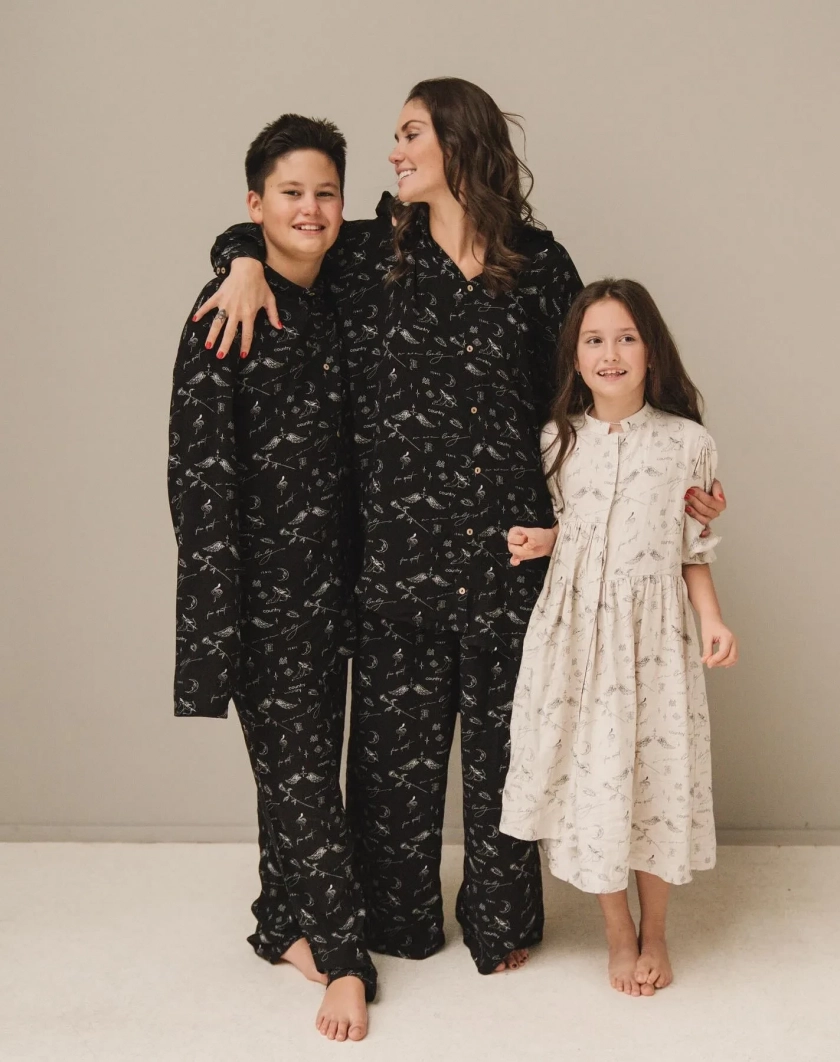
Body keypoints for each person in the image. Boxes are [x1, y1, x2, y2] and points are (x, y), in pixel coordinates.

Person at [197, 78, 726, 976]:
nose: (394, 151)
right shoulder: (368, 254)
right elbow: (285, 233)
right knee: (391, 774)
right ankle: (397, 922)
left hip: (514, 558)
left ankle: (501, 923)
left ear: (457, 141)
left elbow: (596, 385)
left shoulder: (538, 263)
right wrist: (238, 259)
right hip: (395, 560)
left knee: (505, 758)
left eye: (410, 134)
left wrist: (675, 481)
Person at [168, 113, 376, 1043]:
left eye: (326, 192)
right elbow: (198, 480)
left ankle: (278, 923)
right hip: (262, 598)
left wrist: (244, 252)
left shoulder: (339, 292)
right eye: (291, 192)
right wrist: (218, 618)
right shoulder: (226, 313)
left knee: (300, 766)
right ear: (257, 203)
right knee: (302, 776)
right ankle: (343, 958)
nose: (312, 209)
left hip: (342, 588)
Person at [501, 278, 738, 997]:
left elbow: (692, 547)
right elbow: (575, 527)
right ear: (575, 357)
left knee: (653, 777)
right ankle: (617, 932)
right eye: (595, 340)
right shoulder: (556, 439)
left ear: (651, 350)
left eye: (626, 338)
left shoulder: (687, 442)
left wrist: (713, 620)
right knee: (596, 779)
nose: (611, 353)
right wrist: (543, 540)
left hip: (654, 640)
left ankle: (656, 929)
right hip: (577, 638)